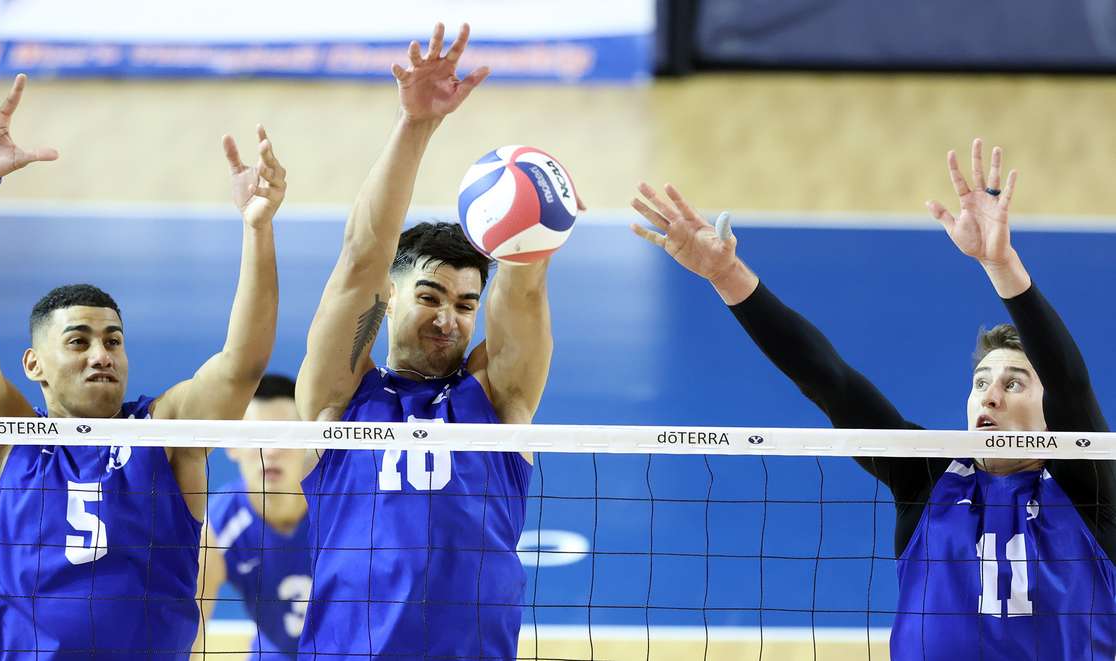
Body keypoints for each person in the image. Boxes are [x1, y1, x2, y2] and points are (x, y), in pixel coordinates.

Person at [630, 139, 1116, 658]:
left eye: (1013, 383)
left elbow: (1070, 384)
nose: (989, 397)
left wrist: (1001, 264)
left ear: (1052, 417)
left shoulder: (1087, 488)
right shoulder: (926, 477)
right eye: (979, 383)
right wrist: (727, 275)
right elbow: (831, 382)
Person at [0, 53, 284, 659]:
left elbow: (241, 363)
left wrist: (257, 230)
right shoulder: (4, 440)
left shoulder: (166, 435)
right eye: (79, 341)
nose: (102, 354)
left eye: (113, 340)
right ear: (33, 364)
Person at [293, 23, 574, 660]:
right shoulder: (342, 396)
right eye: (430, 296)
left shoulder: (497, 401)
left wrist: (533, 228)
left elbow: (523, 297)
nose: (449, 317)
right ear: (393, 298)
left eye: (466, 304)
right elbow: (362, 260)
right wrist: (415, 124)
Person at [193, 374, 313, 660]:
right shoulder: (219, 526)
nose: (270, 452)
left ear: (309, 442)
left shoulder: (340, 510)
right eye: (257, 437)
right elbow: (191, 635)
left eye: (285, 436)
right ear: (232, 446)